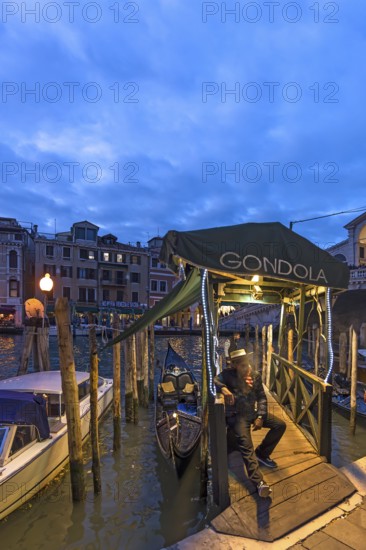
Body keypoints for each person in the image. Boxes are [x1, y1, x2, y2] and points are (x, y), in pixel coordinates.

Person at [214, 348, 286, 498]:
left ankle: (263, 453)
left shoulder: (255, 376)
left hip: (252, 413)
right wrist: (224, 389)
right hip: (237, 416)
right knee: (247, 447)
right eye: (242, 365)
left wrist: (260, 416)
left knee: (280, 425)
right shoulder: (227, 375)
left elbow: (261, 397)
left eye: (247, 364)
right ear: (234, 365)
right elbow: (214, 380)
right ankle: (259, 483)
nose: (247, 368)